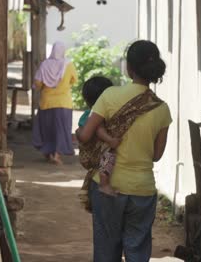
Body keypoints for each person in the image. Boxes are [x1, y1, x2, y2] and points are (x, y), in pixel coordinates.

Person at [76, 40, 172, 262]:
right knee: (137, 250)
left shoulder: (109, 96)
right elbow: (156, 155)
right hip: (142, 189)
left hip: (107, 185)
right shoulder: (161, 109)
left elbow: (86, 134)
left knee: (106, 250)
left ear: (129, 68)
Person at [32, 41, 78, 165]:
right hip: (64, 103)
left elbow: (37, 83)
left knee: (47, 129)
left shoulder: (45, 64)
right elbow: (75, 79)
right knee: (61, 130)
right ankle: (57, 155)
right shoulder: (68, 65)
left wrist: (45, 85)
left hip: (46, 102)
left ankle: (48, 153)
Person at [77, 76, 120, 196]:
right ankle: (104, 184)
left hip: (86, 156)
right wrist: (110, 140)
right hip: (91, 155)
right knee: (109, 154)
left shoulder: (87, 114)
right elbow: (98, 130)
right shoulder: (96, 115)